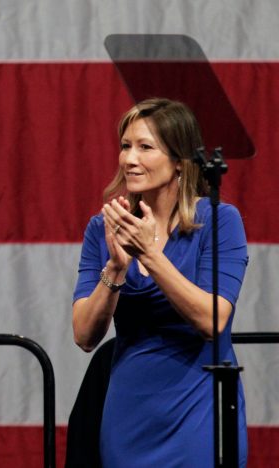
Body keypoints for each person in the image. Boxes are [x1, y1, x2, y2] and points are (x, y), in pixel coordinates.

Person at [72, 98, 248, 466]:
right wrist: (116, 271)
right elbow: (85, 335)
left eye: (145, 147)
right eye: (125, 146)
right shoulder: (102, 228)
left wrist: (150, 254)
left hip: (197, 409)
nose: (129, 158)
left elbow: (212, 321)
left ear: (181, 161)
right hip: (129, 412)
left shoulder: (219, 221)